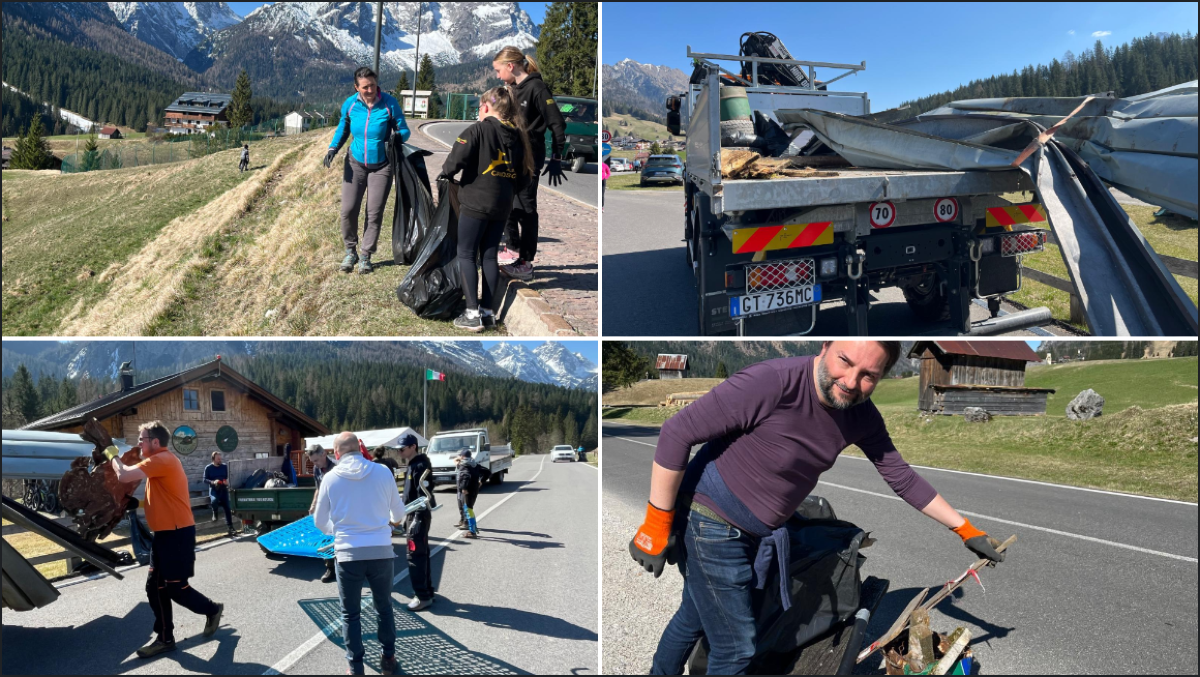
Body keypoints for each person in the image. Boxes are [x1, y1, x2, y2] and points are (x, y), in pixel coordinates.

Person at [631, 342, 1006, 675]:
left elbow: (902, 478)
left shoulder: (861, 415)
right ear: (825, 347)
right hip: (711, 519)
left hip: (757, 532)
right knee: (736, 648)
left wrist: (965, 530)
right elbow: (677, 432)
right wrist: (656, 524)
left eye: (869, 376)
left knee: (694, 616)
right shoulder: (772, 381)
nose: (851, 381)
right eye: (845, 361)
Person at [110, 421, 224, 660]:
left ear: (155, 442)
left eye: (142, 439)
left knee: (176, 588)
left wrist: (112, 456)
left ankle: (212, 609)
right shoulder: (158, 463)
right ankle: (165, 638)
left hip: (177, 534)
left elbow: (124, 475)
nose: (139, 443)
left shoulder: (162, 459)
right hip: (164, 535)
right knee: (154, 587)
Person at [438, 84, 534, 332]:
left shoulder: (478, 130)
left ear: (485, 107)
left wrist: (446, 173)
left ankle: (471, 314)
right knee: (489, 256)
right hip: (502, 205)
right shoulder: (518, 137)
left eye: (480, 108)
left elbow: (456, 158)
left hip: (476, 201)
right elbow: (525, 176)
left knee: (467, 253)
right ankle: (488, 313)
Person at [313, 432, 406, 676]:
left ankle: (356, 667)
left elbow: (319, 521)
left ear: (336, 453)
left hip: (348, 554)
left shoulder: (330, 478)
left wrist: (337, 530)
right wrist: (389, 523)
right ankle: (388, 658)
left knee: (350, 614)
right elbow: (399, 514)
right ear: (359, 448)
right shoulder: (383, 472)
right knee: (384, 607)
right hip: (381, 552)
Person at [324, 66, 411, 275]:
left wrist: (398, 136)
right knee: (348, 210)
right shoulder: (351, 104)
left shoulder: (389, 103)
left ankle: (365, 255)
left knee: (374, 212)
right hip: (355, 163)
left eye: (372, 85)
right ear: (356, 87)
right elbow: (343, 129)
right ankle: (350, 251)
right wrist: (332, 149)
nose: (370, 90)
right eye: (365, 87)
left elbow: (404, 130)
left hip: (382, 165)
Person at [491, 46, 567, 282]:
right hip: (509, 157)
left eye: (498, 70)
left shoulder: (537, 88)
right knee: (507, 205)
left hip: (529, 158)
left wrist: (557, 157)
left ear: (510, 66)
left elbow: (557, 123)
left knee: (526, 209)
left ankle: (526, 262)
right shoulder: (510, 89)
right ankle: (512, 249)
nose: (497, 75)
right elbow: (490, 104)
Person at [397, 433, 436, 610]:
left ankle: (422, 596)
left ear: (413, 447)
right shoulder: (413, 464)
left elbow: (424, 494)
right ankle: (427, 592)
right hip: (412, 514)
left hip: (418, 515)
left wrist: (418, 518)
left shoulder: (420, 465)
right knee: (421, 555)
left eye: (402, 449)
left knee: (415, 557)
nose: (399, 452)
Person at [306, 443, 338, 584]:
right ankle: (331, 568)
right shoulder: (316, 469)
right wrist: (314, 505)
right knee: (326, 538)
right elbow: (319, 488)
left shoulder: (337, 467)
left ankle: (349, 568)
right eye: (312, 461)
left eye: (316, 460)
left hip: (339, 510)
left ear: (324, 454)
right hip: (326, 509)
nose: (315, 464)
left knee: (342, 539)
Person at [203, 451, 236, 538]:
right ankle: (215, 512)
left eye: (220, 458)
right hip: (214, 489)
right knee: (214, 501)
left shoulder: (224, 467)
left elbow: (229, 476)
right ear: (213, 459)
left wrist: (227, 482)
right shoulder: (208, 468)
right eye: (218, 459)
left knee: (227, 508)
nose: (220, 460)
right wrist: (213, 482)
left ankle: (231, 527)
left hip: (223, 489)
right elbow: (204, 479)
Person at [453, 450, 481, 537]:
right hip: (473, 489)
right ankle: (473, 528)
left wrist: (464, 488)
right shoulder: (474, 464)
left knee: (468, 509)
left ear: (462, 456)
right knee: (468, 509)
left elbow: (466, 475)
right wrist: (481, 481)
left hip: (467, 491)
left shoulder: (465, 465)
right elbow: (487, 472)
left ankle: (472, 531)